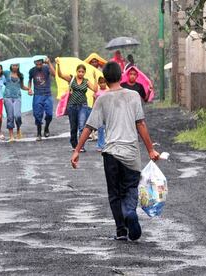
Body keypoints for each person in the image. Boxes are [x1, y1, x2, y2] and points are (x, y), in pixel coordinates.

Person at [71, 61, 160, 241]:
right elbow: (140, 123)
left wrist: (77, 150)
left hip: (111, 153)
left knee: (114, 193)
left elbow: (89, 126)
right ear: (121, 76)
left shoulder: (102, 99)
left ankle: (121, 231)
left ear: (106, 78)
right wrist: (151, 149)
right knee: (130, 188)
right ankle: (129, 212)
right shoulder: (134, 96)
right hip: (131, 153)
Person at [56, 59, 98, 152]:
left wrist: (95, 78)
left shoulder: (86, 81)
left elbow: (95, 89)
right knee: (73, 127)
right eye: (79, 71)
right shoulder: (72, 79)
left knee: (82, 126)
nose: (81, 73)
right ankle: (74, 145)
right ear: (76, 71)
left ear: (85, 73)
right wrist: (58, 65)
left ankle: (81, 146)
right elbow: (60, 75)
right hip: (72, 106)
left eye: (83, 72)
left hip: (83, 106)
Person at [28, 58, 56, 141]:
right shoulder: (32, 71)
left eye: (40, 63)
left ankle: (46, 127)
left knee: (49, 114)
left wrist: (49, 62)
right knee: (37, 115)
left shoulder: (47, 67)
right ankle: (39, 132)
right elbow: (30, 80)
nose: (38, 65)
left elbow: (54, 74)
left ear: (42, 62)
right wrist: (29, 89)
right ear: (34, 63)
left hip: (47, 94)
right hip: (37, 95)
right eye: (37, 64)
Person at [94, 76, 108, 151]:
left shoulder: (109, 92)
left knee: (108, 129)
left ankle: (107, 144)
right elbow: (95, 104)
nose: (103, 84)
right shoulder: (97, 93)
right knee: (100, 129)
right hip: (99, 113)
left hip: (107, 113)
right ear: (99, 83)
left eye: (104, 82)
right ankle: (100, 144)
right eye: (101, 83)